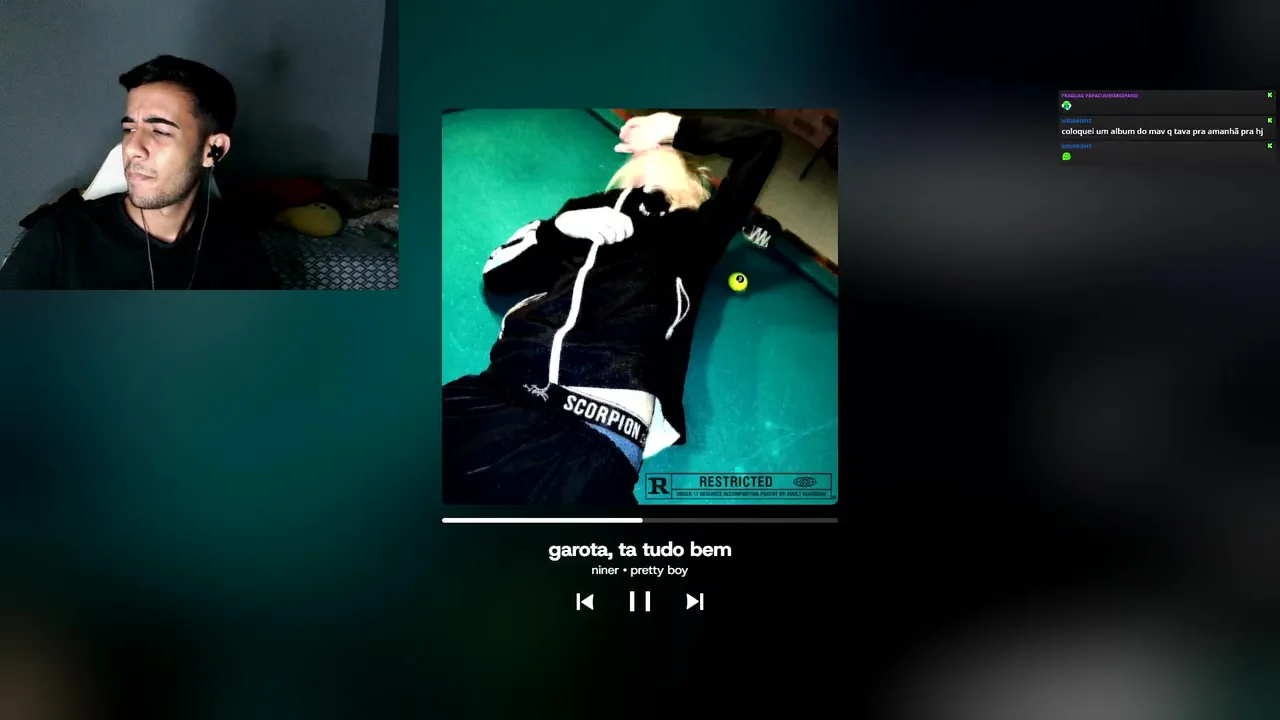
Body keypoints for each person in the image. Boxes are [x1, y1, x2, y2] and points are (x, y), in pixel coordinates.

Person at [443, 112, 784, 504]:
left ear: (695, 184)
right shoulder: (584, 214)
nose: (648, 155)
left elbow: (763, 144)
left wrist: (672, 128)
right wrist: (556, 230)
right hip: (494, 392)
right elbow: (497, 276)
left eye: (665, 152)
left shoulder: (695, 231)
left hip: (591, 427)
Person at [0, 55, 278, 290]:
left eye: (160, 131)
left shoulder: (238, 247)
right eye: (129, 129)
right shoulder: (61, 238)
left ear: (212, 150)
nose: (132, 148)